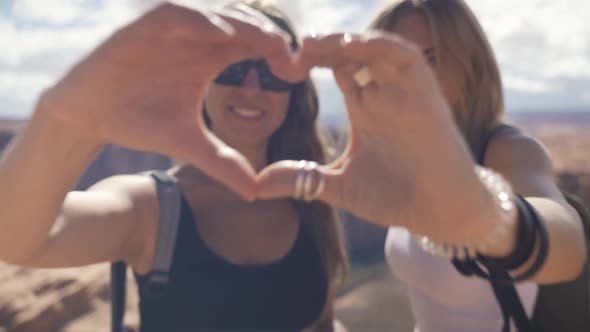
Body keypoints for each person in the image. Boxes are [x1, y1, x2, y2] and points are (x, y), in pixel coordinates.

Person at [0, 1, 347, 331]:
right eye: (233, 67)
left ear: (294, 90)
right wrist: (61, 121)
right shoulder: (152, 208)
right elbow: (16, 241)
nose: (251, 88)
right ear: (203, 78)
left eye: (272, 71)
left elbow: (320, 322)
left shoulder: (310, 197)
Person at [256, 0, 586, 331]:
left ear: (469, 66)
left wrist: (487, 219)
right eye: (391, 62)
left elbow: (567, 247)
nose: (411, 78)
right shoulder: (399, 157)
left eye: (430, 58)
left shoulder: (507, 151)